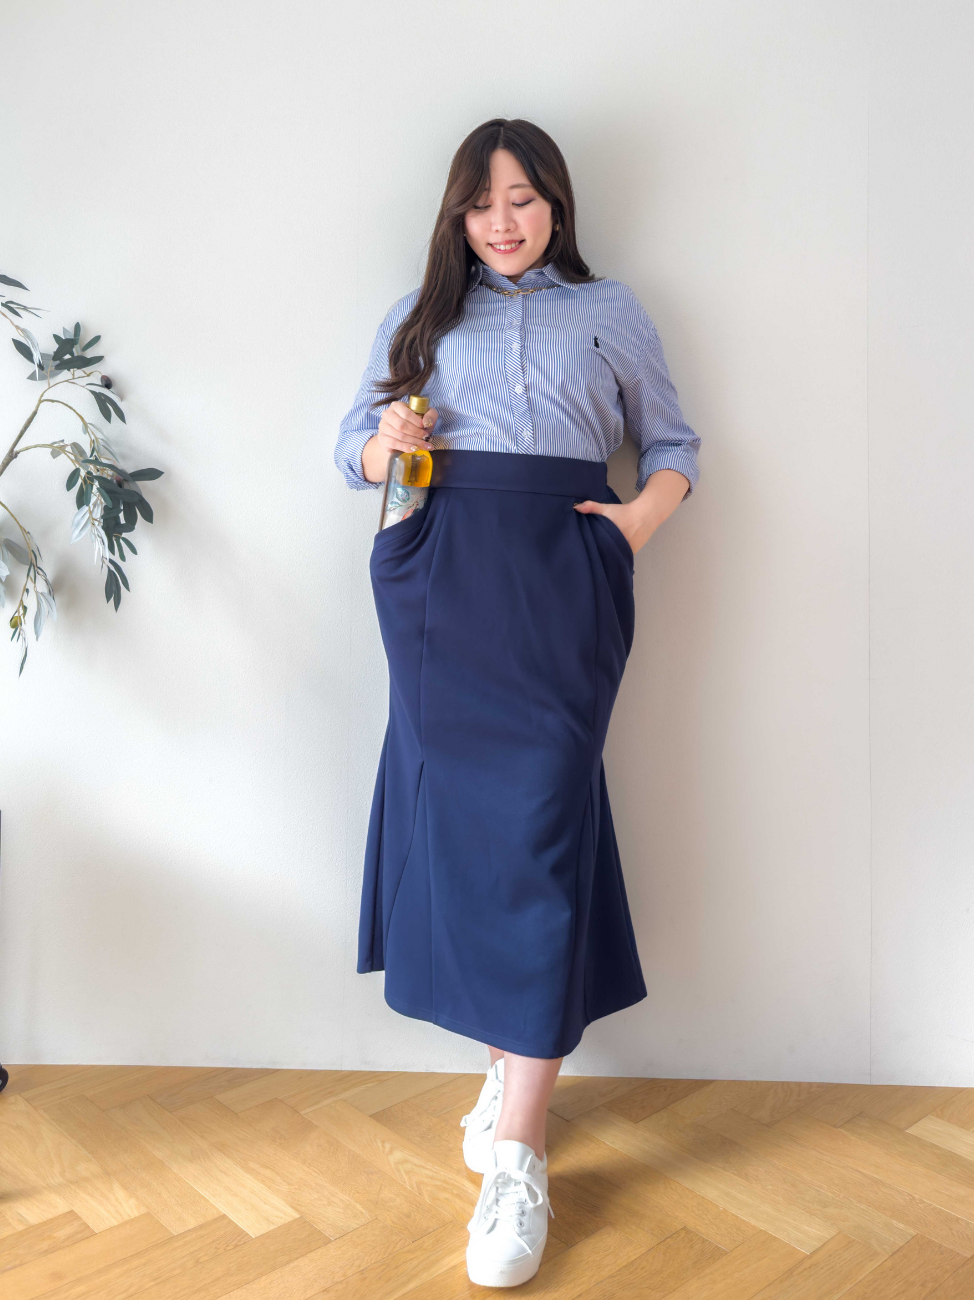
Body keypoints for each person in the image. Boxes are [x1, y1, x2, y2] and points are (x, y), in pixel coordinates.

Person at [334, 117, 700, 1288]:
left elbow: (674, 443)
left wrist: (629, 528)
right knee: (465, 834)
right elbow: (348, 449)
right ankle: (511, 1090)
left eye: (524, 198)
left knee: (541, 825)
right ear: (457, 213)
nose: (503, 220)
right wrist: (386, 441)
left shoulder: (610, 311)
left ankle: (518, 1154)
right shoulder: (419, 317)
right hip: (440, 581)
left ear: (556, 206)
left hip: (559, 581)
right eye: (482, 201)